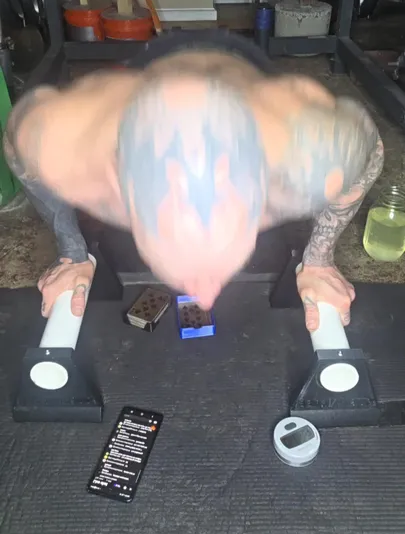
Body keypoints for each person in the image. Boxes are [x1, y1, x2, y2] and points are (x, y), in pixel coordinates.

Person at [3, 32, 383, 332]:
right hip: (149, 69)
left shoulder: (311, 154)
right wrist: (71, 251)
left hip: (245, 69)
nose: (205, 298)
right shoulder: (65, 146)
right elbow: (16, 145)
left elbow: (372, 154)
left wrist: (319, 260)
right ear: (117, 189)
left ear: (264, 187)